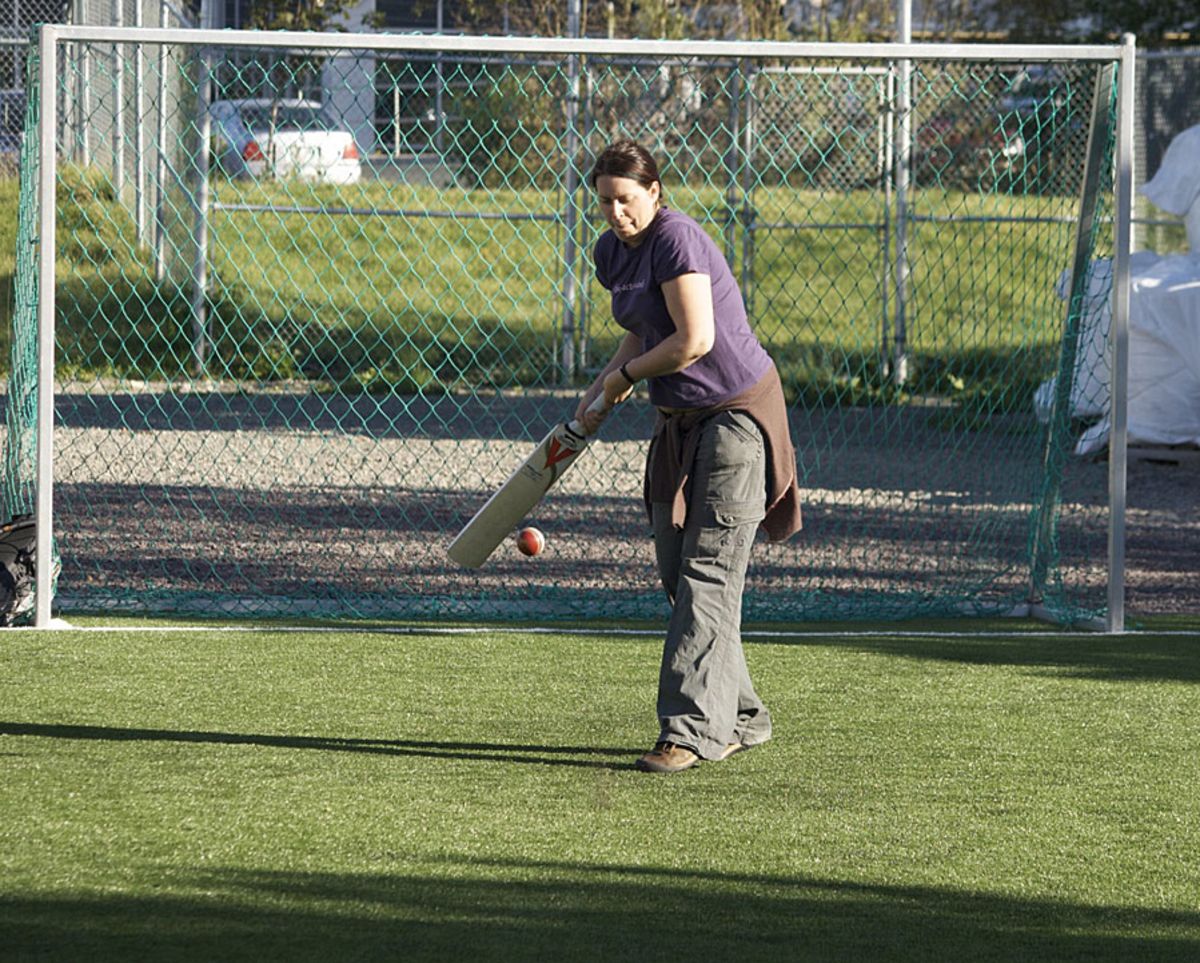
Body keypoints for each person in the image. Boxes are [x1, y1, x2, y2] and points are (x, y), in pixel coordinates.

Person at [575, 140, 803, 774]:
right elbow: (643, 330)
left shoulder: (677, 239)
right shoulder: (610, 252)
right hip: (677, 422)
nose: (615, 213)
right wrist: (595, 394)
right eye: (604, 201)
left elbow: (694, 340)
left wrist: (625, 382)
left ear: (655, 192)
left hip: (737, 416)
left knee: (708, 571)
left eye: (625, 199)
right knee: (679, 572)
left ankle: (691, 731)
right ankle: (743, 716)